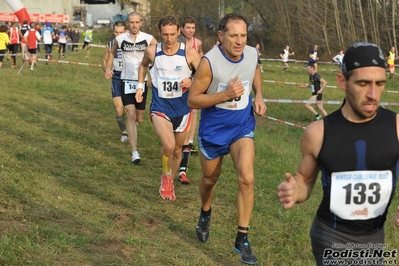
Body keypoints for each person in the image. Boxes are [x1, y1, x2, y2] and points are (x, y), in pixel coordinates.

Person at [277, 42, 399, 266]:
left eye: (379, 84)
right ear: (342, 82)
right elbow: (304, 179)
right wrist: (295, 189)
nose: (373, 94)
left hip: (375, 238)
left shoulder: (397, 127)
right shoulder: (318, 133)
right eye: (363, 83)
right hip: (332, 237)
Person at [187, 13, 267, 265]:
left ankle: (242, 237)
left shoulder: (252, 53)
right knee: (210, 179)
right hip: (213, 131)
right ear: (221, 36)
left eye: (243, 35)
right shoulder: (209, 63)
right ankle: (205, 212)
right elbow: (192, 99)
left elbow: (254, 70)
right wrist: (225, 95)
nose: (239, 41)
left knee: (247, 177)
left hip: (241, 127)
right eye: (233, 35)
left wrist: (260, 95)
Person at [135, 15, 201, 200]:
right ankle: (165, 176)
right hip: (160, 107)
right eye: (165, 34)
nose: (169, 39)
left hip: (182, 109)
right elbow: (143, 67)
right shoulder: (152, 51)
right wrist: (140, 86)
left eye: (173, 34)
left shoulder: (189, 53)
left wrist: (193, 79)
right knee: (168, 145)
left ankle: (170, 179)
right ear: (159, 33)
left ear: (179, 32)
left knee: (178, 150)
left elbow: (204, 75)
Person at [104, 12, 157, 164]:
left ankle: (133, 127)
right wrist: (108, 68)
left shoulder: (148, 38)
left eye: (137, 22)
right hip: (126, 81)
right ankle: (134, 152)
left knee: (139, 117)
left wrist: (152, 75)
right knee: (131, 115)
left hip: (142, 82)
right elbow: (111, 52)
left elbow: (158, 55)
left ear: (141, 23)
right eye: (131, 22)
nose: (134, 25)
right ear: (128, 23)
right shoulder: (120, 39)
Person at [177, 16, 204, 185]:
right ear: (182, 29)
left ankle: (190, 141)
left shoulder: (198, 43)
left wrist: (193, 79)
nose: (190, 30)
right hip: (177, 88)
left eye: (193, 28)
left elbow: (200, 66)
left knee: (193, 113)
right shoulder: (176, 42)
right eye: (187, 27)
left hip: (191, 85)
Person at [102, 21, 128, 142]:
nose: (118, 35)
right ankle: (124, 133)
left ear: (126, 31)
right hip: (117, 78)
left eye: (121, 32)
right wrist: (107, 70)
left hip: (130, 79)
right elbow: (104, 61)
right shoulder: (110, 45)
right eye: (116, 32)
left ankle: (132, 125)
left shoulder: (132, 44)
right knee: (118, 108)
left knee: (130, 109)